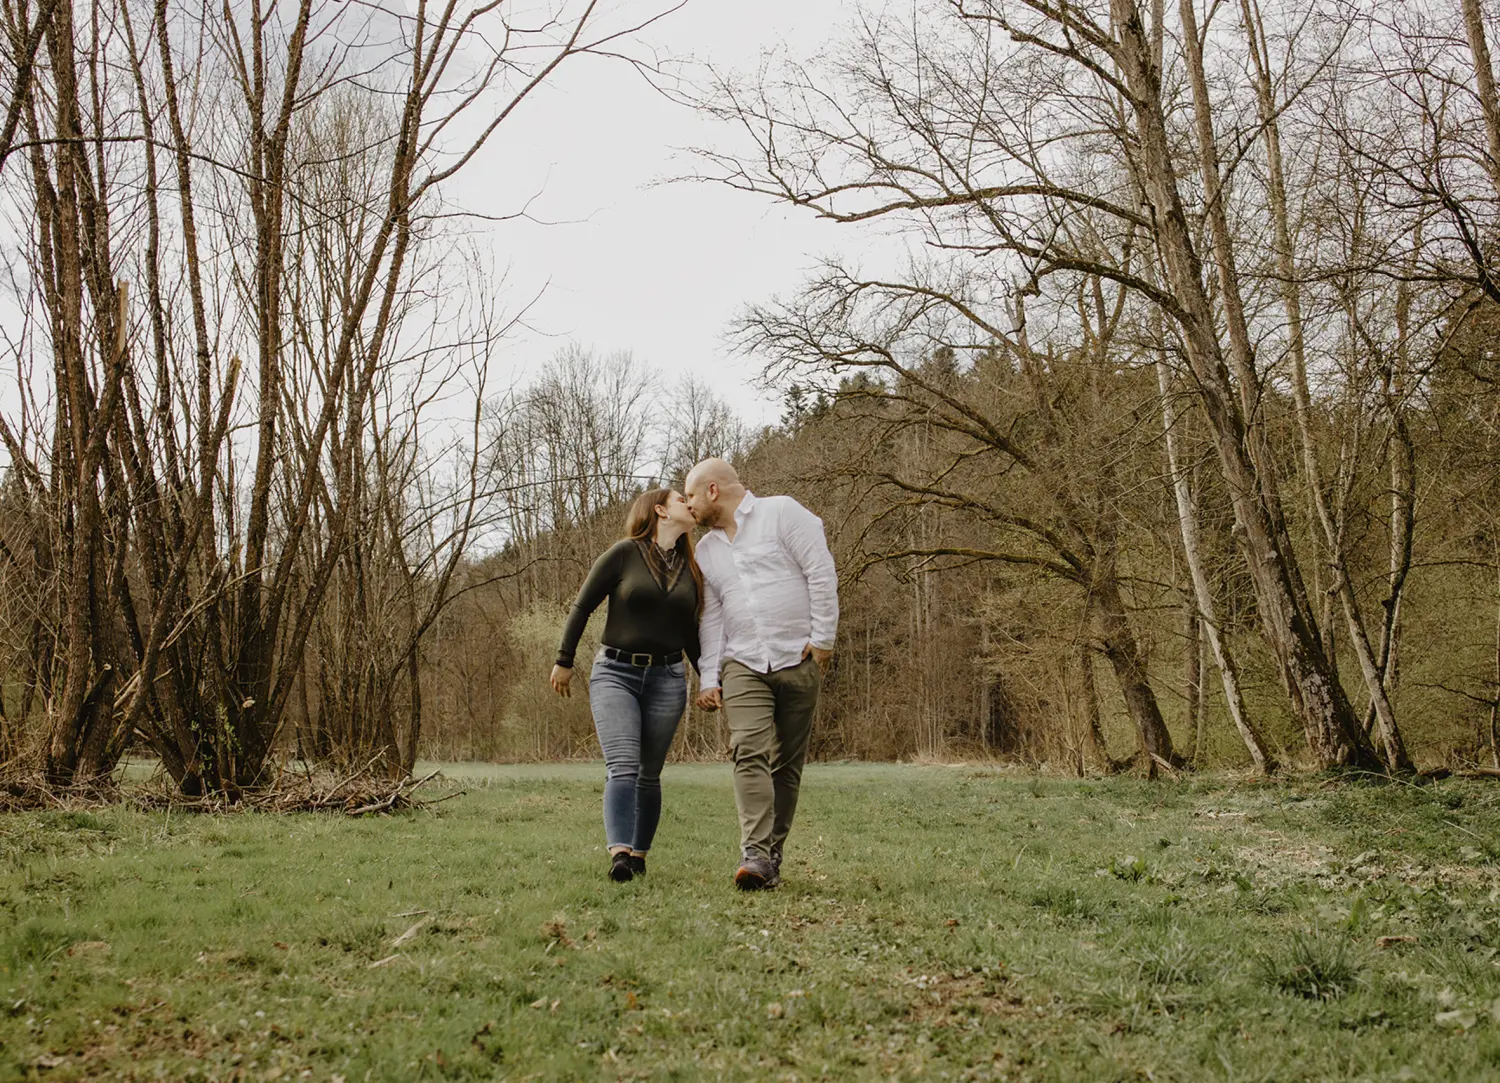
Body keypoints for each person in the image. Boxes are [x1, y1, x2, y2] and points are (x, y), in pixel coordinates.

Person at [683, 458, 838, 891]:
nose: (689, 505)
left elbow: (820, 573)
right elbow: (711, 617)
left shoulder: (783, 512)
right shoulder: (707, 550)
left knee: (787, 764)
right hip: (743, 662)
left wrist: (823, 638)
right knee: (748, 748)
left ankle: (771, 858)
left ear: (712, 490)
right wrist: (709, 676)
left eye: (691, 495)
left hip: (799, 657)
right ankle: (753, 853)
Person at [551, 488, 703, 882]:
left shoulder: (691, 565)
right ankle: (619, 854)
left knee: (649, 773)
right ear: (660, 510)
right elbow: (582, 606)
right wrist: (564, 661)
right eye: (680, 498)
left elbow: (690, 632)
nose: (690, 502)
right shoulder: (624, 553)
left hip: (668, 678)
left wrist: (710, 679)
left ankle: (639, 856)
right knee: (623, 766)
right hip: (616, 674)